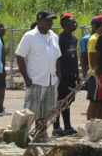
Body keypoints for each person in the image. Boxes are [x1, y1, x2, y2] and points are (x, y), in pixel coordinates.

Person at [15, 10, 62, 138]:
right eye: (47, 20)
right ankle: (21, 136)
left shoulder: (54, 37)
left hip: (51, 81)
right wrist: (26, 78)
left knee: (47, 112)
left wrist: (58, 75)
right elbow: (19, 56)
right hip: (35, 81)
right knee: (30, 112)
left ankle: (40, 135)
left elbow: (57, 57)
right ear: (39, 21)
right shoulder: (30, 36)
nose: (50, 23)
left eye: (51, 20)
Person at [56, 13, 80, 136]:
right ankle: (56, 127)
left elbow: (75, 57)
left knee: (68, 101)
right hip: (63, 75)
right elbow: (57, 58)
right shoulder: (60, 38)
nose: (74, 23)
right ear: (65, 24)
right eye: (72, 22)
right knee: (60, 100)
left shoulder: (74, 39)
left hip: (71, 74)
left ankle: (68, 126)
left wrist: (77, 74)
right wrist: (59, 74)